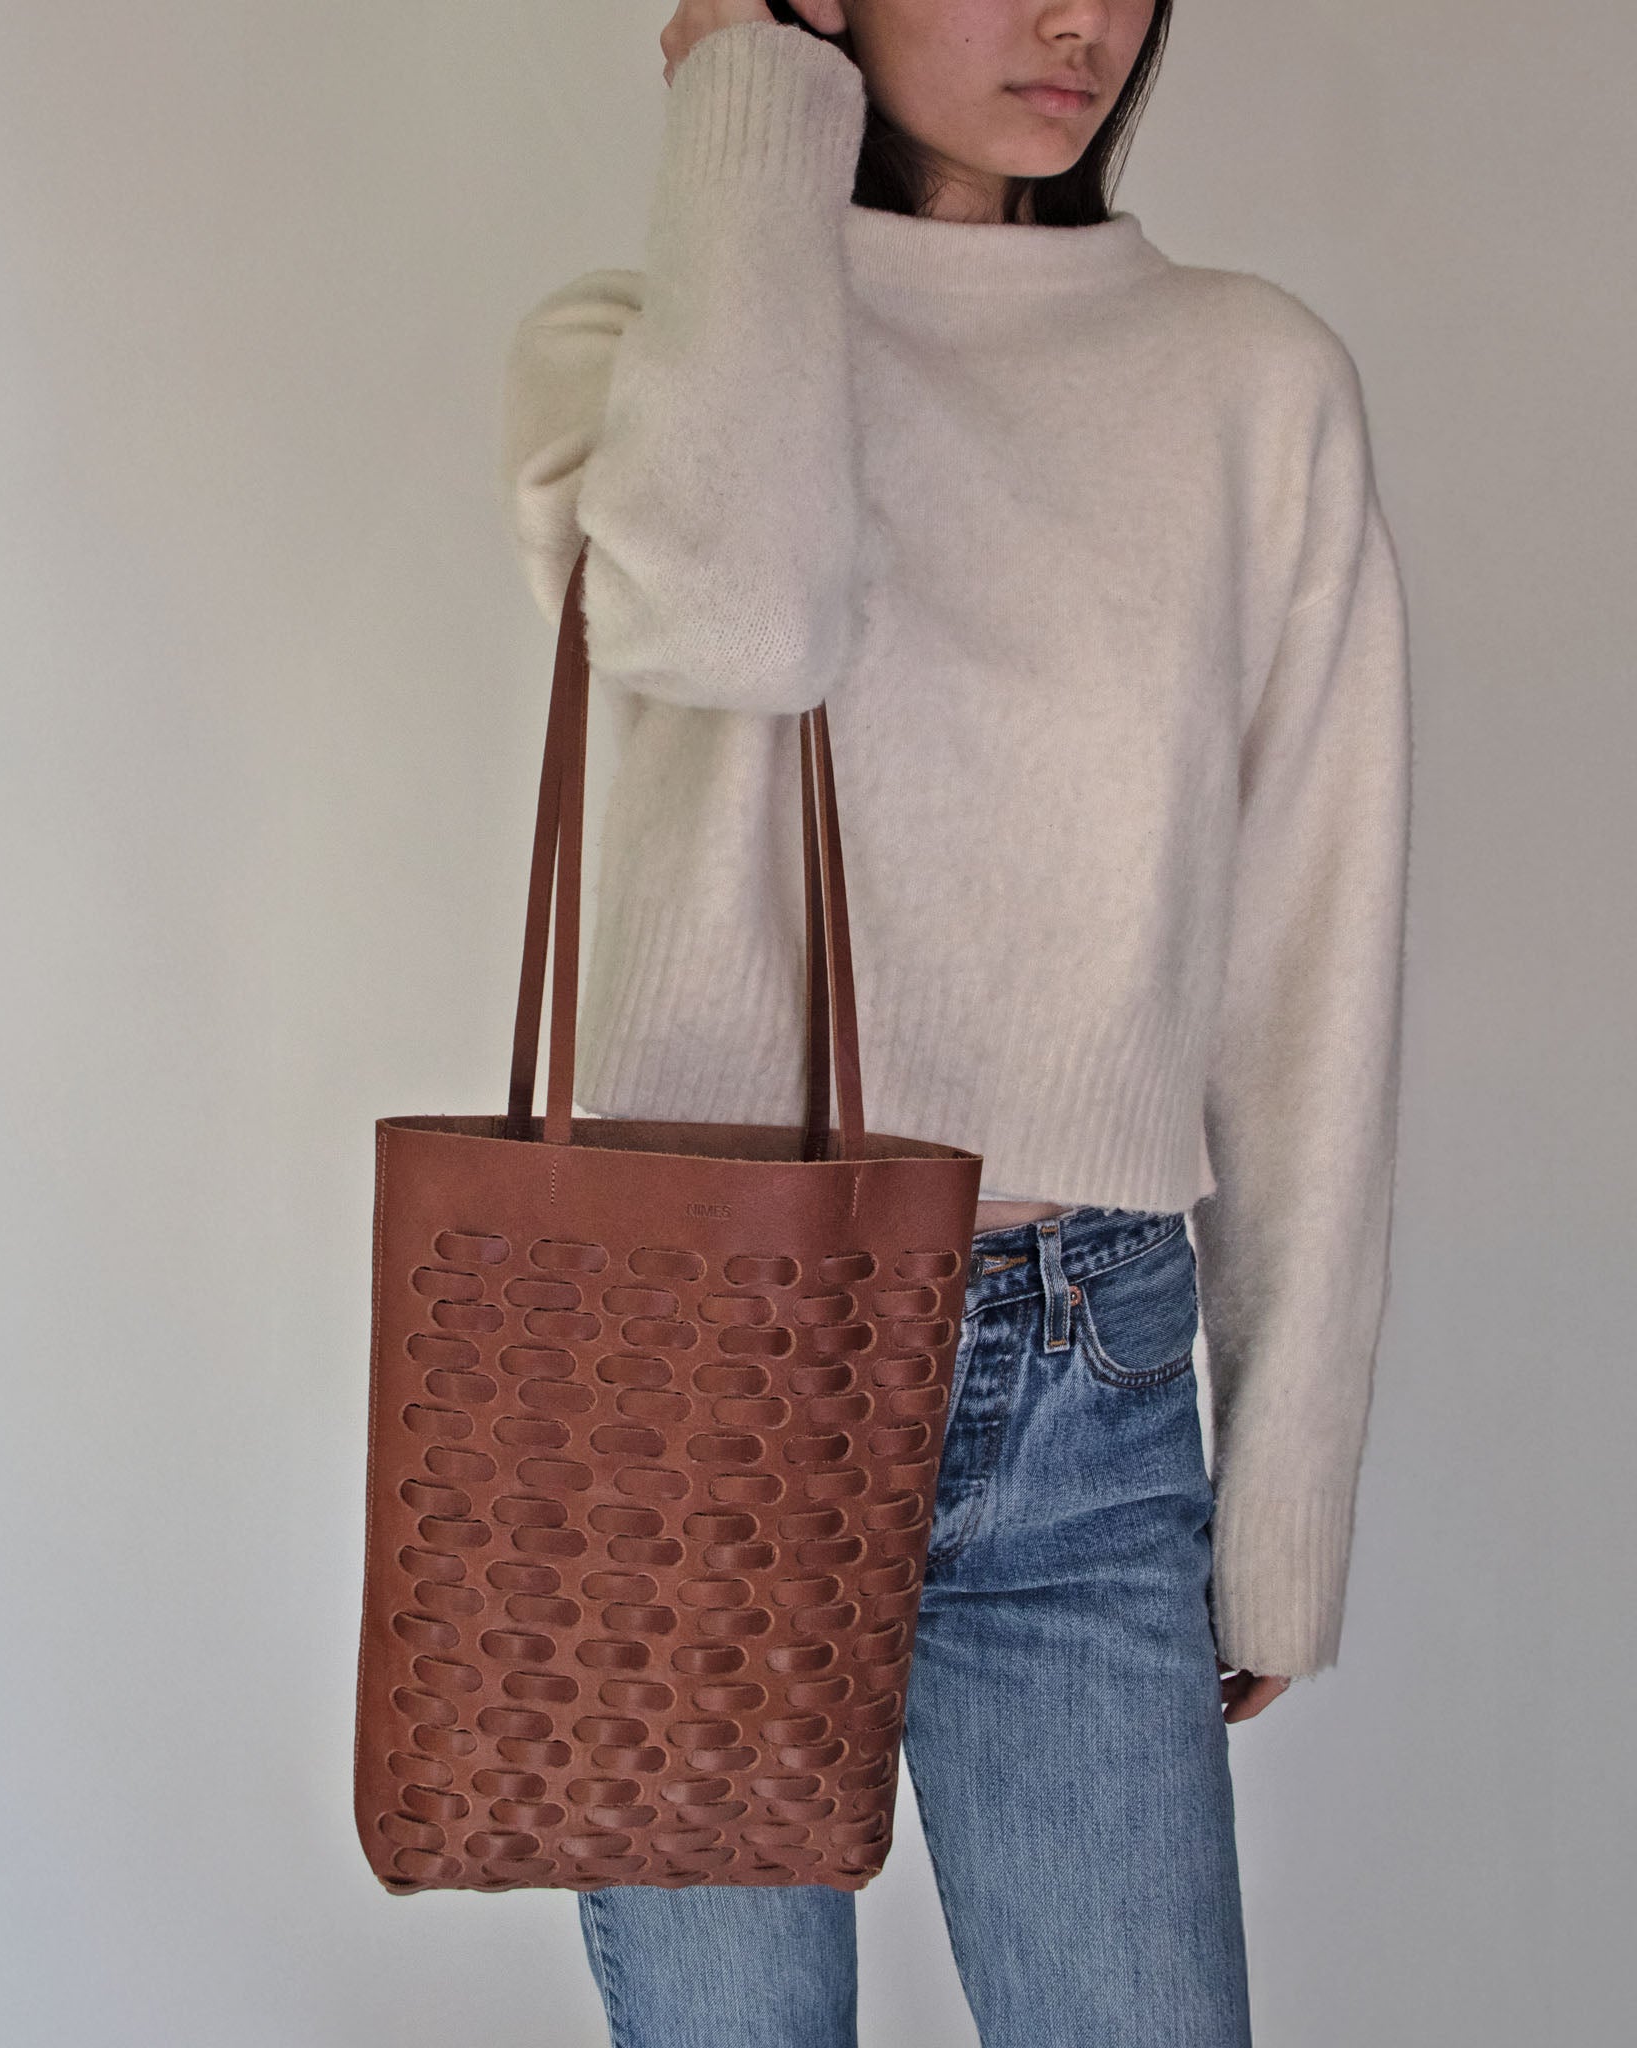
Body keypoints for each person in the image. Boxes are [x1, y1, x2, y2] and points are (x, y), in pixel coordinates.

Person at [496, 0, 1411, 2040]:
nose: (1081, 20)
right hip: (696, 1377)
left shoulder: (1249, 384)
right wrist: (756, 94)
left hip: (1088, 1376)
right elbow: (741, 618)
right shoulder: (629, 354)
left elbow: (1310, 966)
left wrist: (1283, 1484)